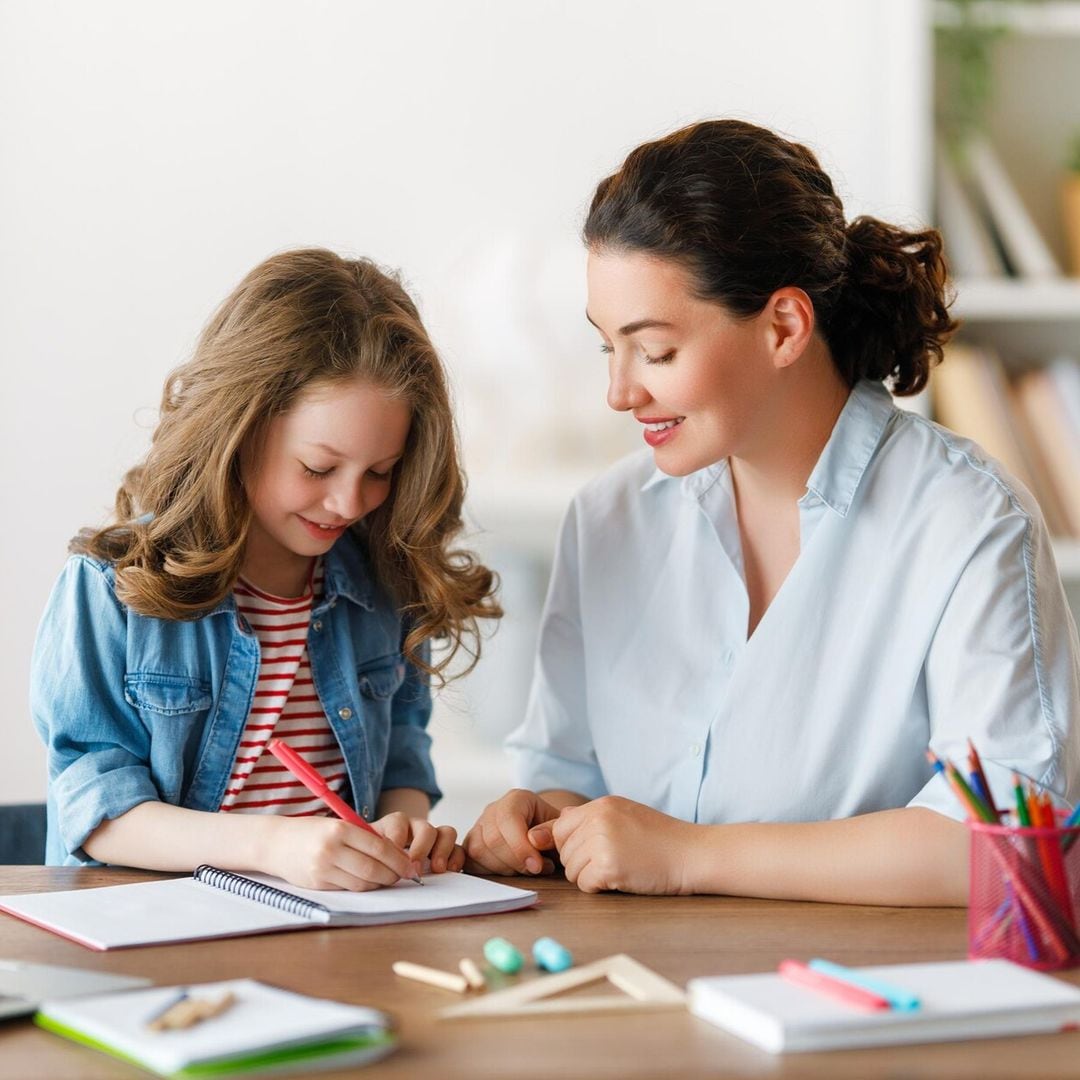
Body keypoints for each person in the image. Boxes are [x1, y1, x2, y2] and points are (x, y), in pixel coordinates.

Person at [463, 119, 1080, 905]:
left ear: (783, 327)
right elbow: (565, 781)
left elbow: (1008, 845)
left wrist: (691, 856)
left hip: (868, 1003)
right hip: (637, 993)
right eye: (605, 348)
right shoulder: (609, 518)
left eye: (654, 351)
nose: (620, 393)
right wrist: (537, 822)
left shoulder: (967, 522)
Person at [32, 248, 501, 890]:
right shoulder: (111, 588)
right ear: (239, 428)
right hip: (159, 937)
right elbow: (97, 811)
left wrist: (404, 827)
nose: (347, 502)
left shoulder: (383, 587)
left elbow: (402, 764)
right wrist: (272, 844)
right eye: (317, 467)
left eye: (380, 473)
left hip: (333, 935)